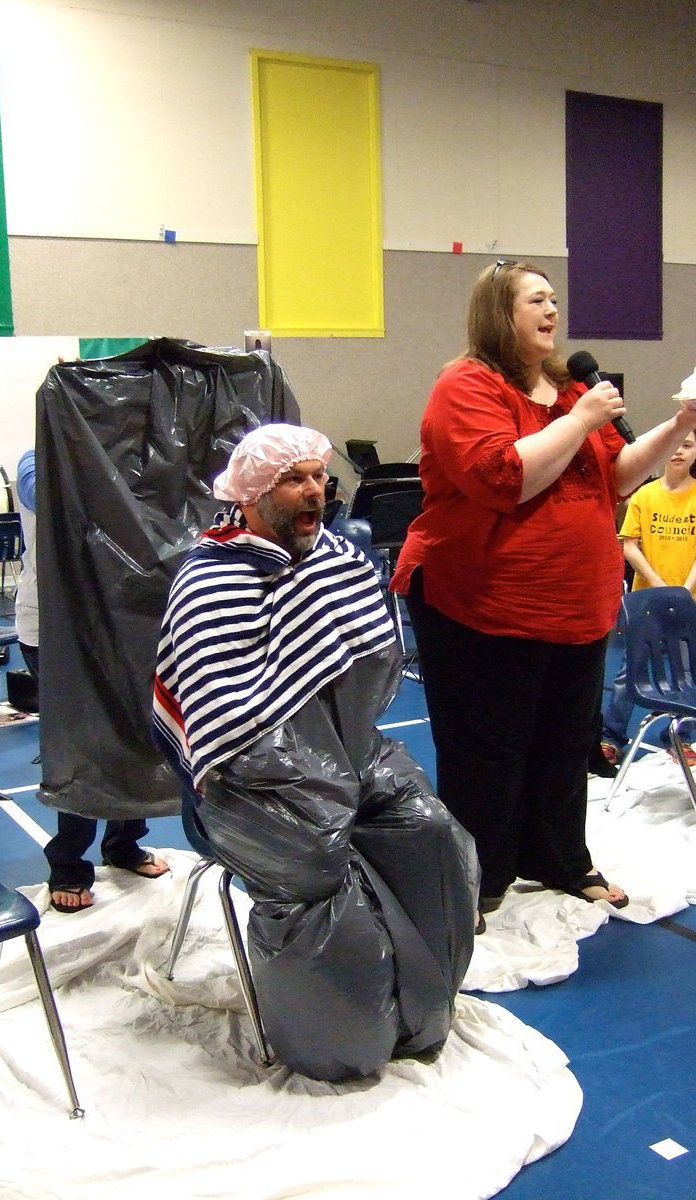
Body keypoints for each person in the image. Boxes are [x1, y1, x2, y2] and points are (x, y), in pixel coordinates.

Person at [389, 259, 696, 924]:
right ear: (500, 313)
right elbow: (505, 480)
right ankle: (478, 875)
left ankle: (560, 858)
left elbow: (617, 477)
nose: (552, 310)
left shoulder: (568, 385)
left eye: (554, 299)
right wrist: (580, 416)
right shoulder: (465, 385)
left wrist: (679, 424)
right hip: (482, 602)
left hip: (574, 606)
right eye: (535, 300)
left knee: (563, 743)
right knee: (487, 748)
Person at [152, 424, 478, 1082]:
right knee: (320, 878)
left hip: (343, 755)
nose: (315, 491)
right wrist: (306, 779)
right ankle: (343, 1041)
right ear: (249, 494)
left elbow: (365, 672)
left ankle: (422, 1010)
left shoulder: (330, 557)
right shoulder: (209, 579)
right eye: (294, 479)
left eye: (319, 477)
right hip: (249, 787)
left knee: (431, 831)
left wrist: (339, 763)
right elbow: (221, 719)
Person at [15, 448, 169, 913]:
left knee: (138, 736)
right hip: (55, 629)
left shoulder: (136, 464)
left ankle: (123, 844)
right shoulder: (36, 462)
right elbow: (48, 494)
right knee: (81, 746)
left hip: (124, 624)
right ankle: (68, 863)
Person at [600, 427, 696, 768]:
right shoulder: (643, 496)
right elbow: (629, 546)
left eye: (687, 445)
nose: (679, 451)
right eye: (673, 444)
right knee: (631, 673)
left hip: (690, 600)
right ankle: (611, 736)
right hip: (647, 602)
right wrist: (659, 586)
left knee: (684, 673)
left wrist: (682, 591)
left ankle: (678, 735)